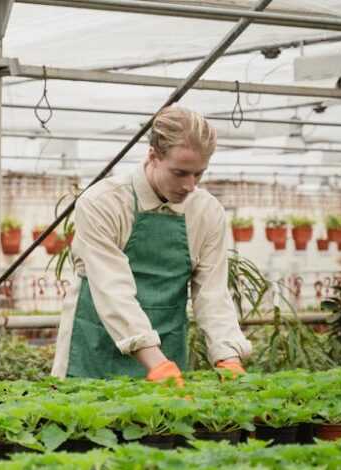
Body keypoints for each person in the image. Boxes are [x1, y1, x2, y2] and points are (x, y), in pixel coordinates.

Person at [52, 106, 251, 385]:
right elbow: (112, 290)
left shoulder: (206, 211)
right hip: (94, 351)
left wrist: (227, 356)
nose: (190, 185)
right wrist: (156, 365)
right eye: (180, 173)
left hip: (165, 350)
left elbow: (212, 294)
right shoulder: (104, 202)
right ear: (153, 156)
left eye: (199, 174)